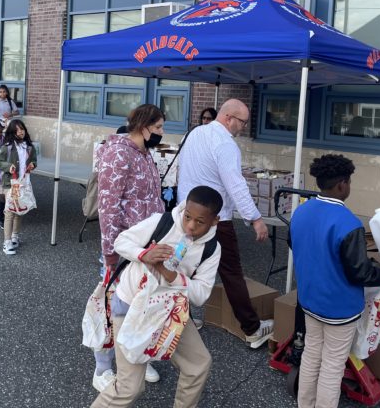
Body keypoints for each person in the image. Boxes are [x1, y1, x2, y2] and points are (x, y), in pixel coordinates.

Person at [90, 186, 223, 408]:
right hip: (132, 307)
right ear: (184, 208)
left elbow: (200, 295)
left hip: (169, 313)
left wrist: (171, 275)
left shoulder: (211, 248)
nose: (190, 225)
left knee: (198, 365)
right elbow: (121, 241)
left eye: (200, 222)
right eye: (188, 217)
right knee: (129, 387)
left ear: (215, 221)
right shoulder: (163, 222)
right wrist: (144, 254)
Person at [290, 154, 380, 408]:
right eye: (348, 182)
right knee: (332, 364)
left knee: (311, 354)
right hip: (340, 307)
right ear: (342, 184)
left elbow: (297, 245)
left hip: (309, 299)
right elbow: (360, 272)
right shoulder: (348, 223)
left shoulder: (301, 211)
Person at [177, 98, 272, 349]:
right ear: (229, 118)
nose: (242, 127)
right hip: (217, 218)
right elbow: (236, 184)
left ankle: (180, 318)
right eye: (242, 122)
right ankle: (252, 328)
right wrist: (255, 218)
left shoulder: (195, 133)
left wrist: (182, 212)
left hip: (187, 213)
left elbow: (182, 170)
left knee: (185, 266)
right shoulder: (226, 145)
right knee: (231, 272)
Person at [94, 104, 166, 390]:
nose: (161, 133)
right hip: (124, 247)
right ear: (143, 126)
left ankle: (136, 357)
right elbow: (108, 205)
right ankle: (102, 368)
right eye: (158, 127)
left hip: (147, 246)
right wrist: (110, 249)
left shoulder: (145, 154)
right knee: (113, 306)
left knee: (142, 305)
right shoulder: (118, 153)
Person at [0, 119, 36, 254]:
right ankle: (6, 242)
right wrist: (9, 166)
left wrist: (32, 165)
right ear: (12, 132)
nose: (21, 132)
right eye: (17, 130)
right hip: (10, 183)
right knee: (10, 211)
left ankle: (15, 236)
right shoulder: (7, 147)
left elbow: (34, 160)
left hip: (23, 182)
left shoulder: (29, 147)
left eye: (22, 129)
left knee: (20, 210)